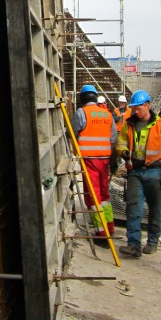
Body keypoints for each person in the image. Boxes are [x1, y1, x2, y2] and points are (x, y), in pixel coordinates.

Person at [116, 90, 161, 257]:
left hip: (154, 172)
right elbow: (120, 143)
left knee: (155, 208)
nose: (135, 111)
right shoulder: (128, 125)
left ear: (147, 106)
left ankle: (152, 241)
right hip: (135, 171)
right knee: (133, 208)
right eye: (133, 108)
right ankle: (134, 245)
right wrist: (124, 152)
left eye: (138, 108)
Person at [71, 84, 118, 238]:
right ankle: (109, 227)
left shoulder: (81, 112)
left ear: (82, 98)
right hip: (104, 159)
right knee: (104, 194)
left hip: (89, 159)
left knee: (93, 195)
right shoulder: (106, 114)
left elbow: (73, 132)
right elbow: (113, 138)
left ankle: (101, 231)